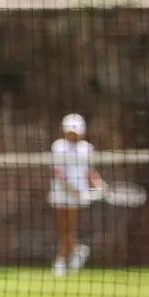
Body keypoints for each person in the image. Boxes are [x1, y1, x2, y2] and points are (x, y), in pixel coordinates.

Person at [49, 113, 103, 277]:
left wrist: (101, 185)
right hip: (60, 192)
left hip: (77, 195)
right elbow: (56, 171)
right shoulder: (58, 146)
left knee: (69, 229)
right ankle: (77, 251)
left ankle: (60, 261)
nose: (72, 134)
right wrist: (71, 188)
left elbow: (90, 171)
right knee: (62, 228)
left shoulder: (87, 148)